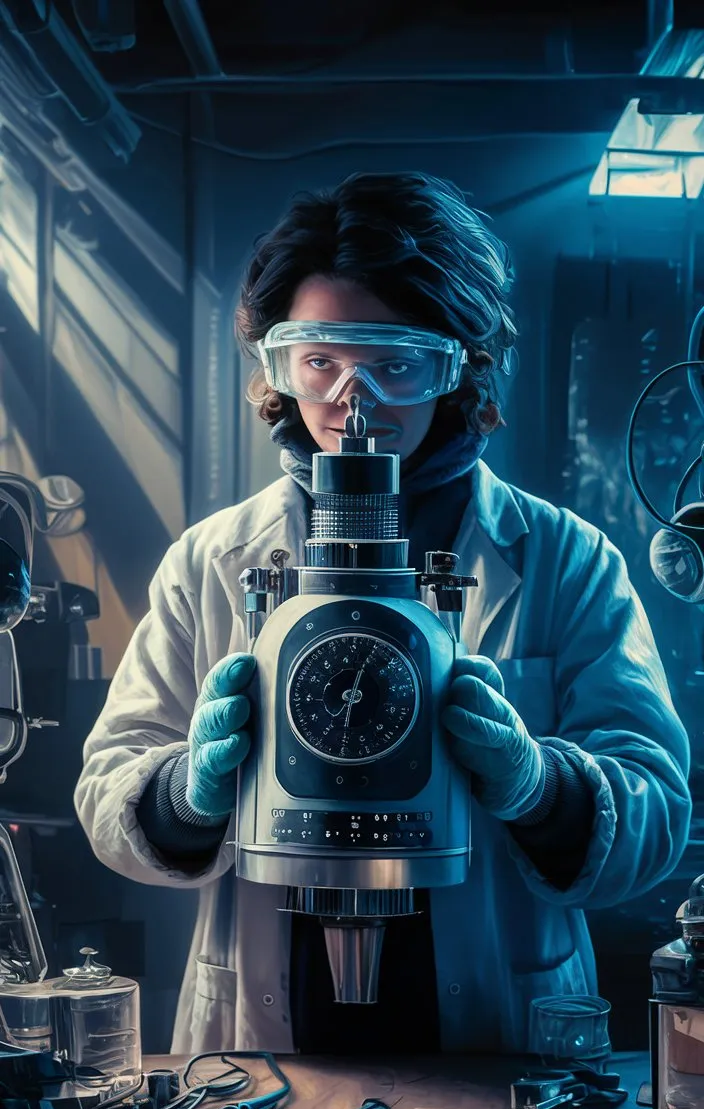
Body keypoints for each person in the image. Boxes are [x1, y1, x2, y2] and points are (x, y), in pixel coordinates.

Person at [74, 171, 692, 1058]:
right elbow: (107, 792)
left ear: (460, 368)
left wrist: (538, 784)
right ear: (278, 366)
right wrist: (182, 792)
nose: (351, 404)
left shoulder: (564, 559)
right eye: (319, 361)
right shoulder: (212, 561)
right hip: (266, 1027)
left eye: (396, 365)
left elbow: (657, 815)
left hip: (493, 1030)